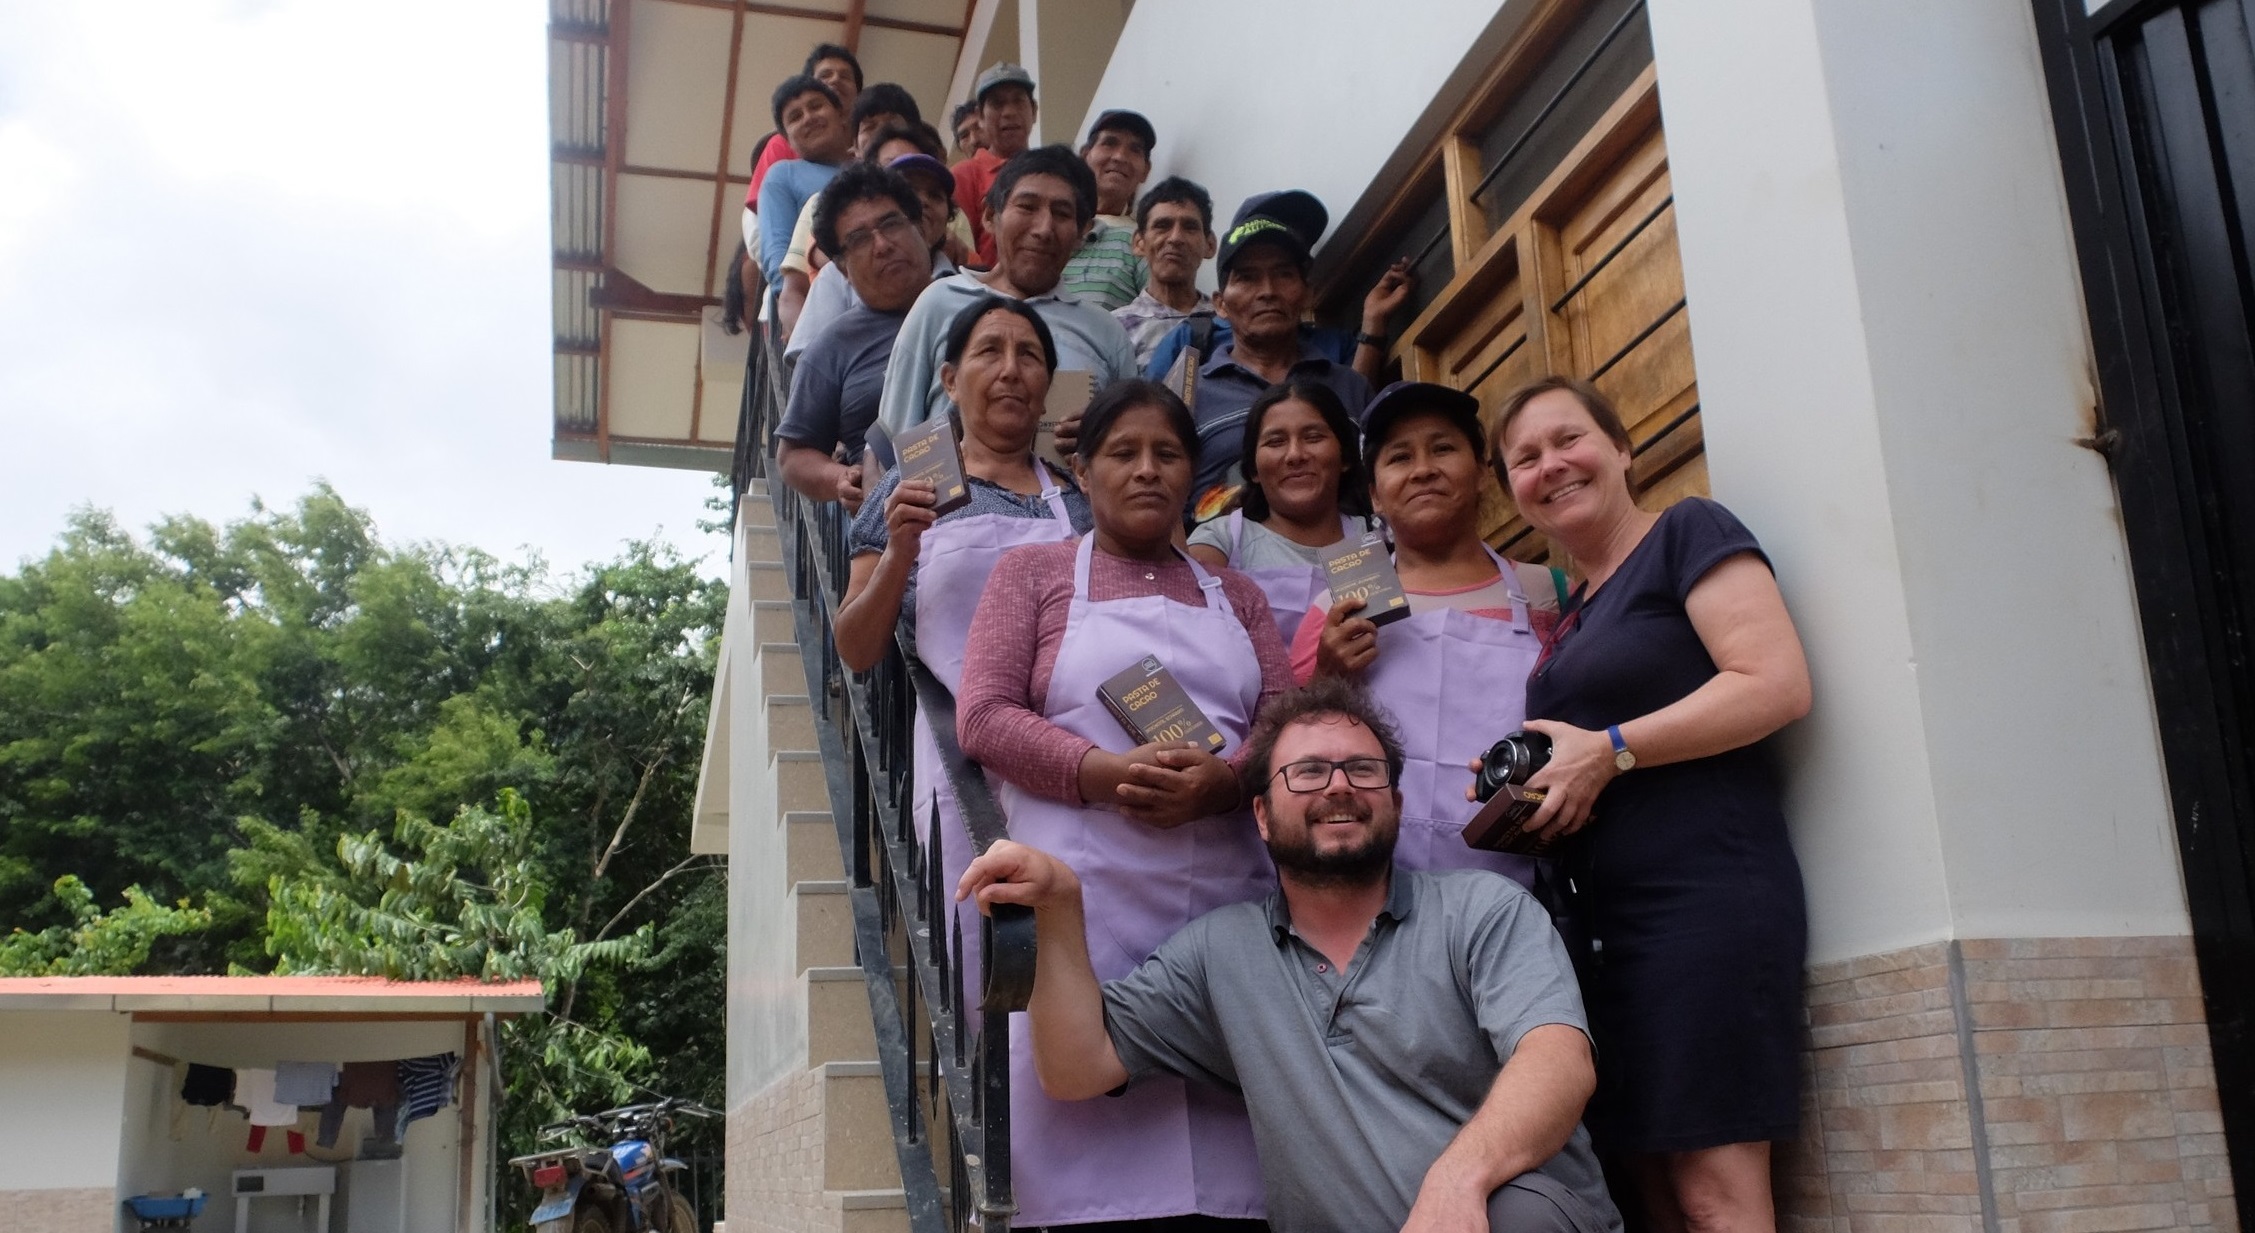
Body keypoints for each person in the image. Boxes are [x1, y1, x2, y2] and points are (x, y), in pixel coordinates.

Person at [956, 678, 1624, 1233]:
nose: (1337, 785)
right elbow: (1079, 1067)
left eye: (1361, 769)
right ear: (1262, 816)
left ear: (1393, 802)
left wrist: (1460, 1178)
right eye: (1306, 772)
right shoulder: (1221, 952)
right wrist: (1060, 907)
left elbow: (1557, 1060)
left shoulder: (1481, 909)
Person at [954, 380, 1291, 1230]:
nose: (1145, 470)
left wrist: (1231, 778)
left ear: (1190, 472)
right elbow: (984, 714)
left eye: (1167, 453)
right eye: (1122, 452)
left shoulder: (1237, 594)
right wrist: (1102, 772)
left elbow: (1287, 719)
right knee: (1081, 1134)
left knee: (1230, 1159)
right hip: (1080, 901)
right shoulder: (1030, 572)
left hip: (1228, 894)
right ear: (1083, 467)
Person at [1491, 376, 1812, 1232]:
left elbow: (1774, 683)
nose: (1550, 465)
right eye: (1524, 459)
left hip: (1703, 900)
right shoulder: (1571, 614)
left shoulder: (1687, 531)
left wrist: (1611, 749)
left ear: (1622, 446)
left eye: (1568, 439)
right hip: (1602, 930)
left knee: (1715, 1189)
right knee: (1654, 1195)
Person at [833, 297, 1094, 1015]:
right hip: (965, 771)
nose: (1009, 370)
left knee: (1086, 950)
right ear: (948, 378)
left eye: (1029, 355)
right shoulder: (906, 490)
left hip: (1078, 758)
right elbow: (855, 645)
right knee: (991, 969)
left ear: (1047, 385)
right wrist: (900, 551)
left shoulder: (1080, 499)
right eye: (988, 352)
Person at [1293, 382, 1564, 885]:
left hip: (1522, 879)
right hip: (1374, 883)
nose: (1423, 469)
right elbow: (1287, 748)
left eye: (1443, 448)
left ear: (1483, 473)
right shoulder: (1338, 606)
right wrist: (1327, 673)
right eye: (1399, 457)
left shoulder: (1547, 591)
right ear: (1374, 492)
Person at [876, 146, 1138, 440]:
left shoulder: (1106, 332)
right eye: (1027, 207)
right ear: (989, 215)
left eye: (1062, 213)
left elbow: (1130, 442)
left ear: (1081, 233)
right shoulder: (938, 302)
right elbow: (892, 438)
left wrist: (1098, 437)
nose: (1043, 229)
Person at [1180, 190, 1374, 519]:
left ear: (1307, 292)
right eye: (1247, 277)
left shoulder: (1352, 387)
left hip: (1349, 564)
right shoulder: (1188, 396)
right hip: (1226, 566)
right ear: (1220, 304)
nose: (1268, 291)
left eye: (1283, 274)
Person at [773, 164, 936, 511]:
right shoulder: (831, 348)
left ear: (922, 228)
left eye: (891, 223)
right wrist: (841, 479)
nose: (882, 245)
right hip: (898, 538)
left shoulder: (983, 306)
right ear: (842, 267)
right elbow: (792, 457)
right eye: (859, 239)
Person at [1187, 382, 1375, 647]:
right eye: (1275, 442)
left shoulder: (1373, 538)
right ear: (1252, 469)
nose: (1295, 455)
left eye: (1313, 437)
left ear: (1345, 457)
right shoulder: (1223, 541)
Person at [787, 134, 963, 362]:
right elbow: (811, 366)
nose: (924, 202)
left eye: (935, 195)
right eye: (911, 189)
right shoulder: (835, 280)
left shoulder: (968, 288)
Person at [742, 45, 865, 241]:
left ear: (858, 94)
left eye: (845, 76)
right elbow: (759, 220)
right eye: (825, 75)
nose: (835, 80)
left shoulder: (869, 143)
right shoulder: (780, 147)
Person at [756, 76, 851, 288]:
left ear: (841, 115)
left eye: (816, 106)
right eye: (795, 117)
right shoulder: (782, 176)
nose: (808, 118)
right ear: (787, 139)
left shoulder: (873, 166)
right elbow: (777, 254)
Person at [1113, 176, 1217, 367]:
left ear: (1209, 245)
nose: (1176, 238)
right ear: (1139, 243)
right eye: (1162, 226)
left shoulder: (1228, 322)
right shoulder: (1115, 329)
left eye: (1189, 227)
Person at [1057, 109, 1154, 311]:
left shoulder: (1143, 242)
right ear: (1085, 155)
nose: (1120, 157)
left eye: (1135, 150)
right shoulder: (1050, 222)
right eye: (1109, 143)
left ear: (1145, 170)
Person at [952, 62, 1038, 265]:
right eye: (997, 104)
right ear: (981, 117)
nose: (1008, 112)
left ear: (1034, 111)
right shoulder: (965, 175)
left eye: (1018, 101)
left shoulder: (1053, 170)